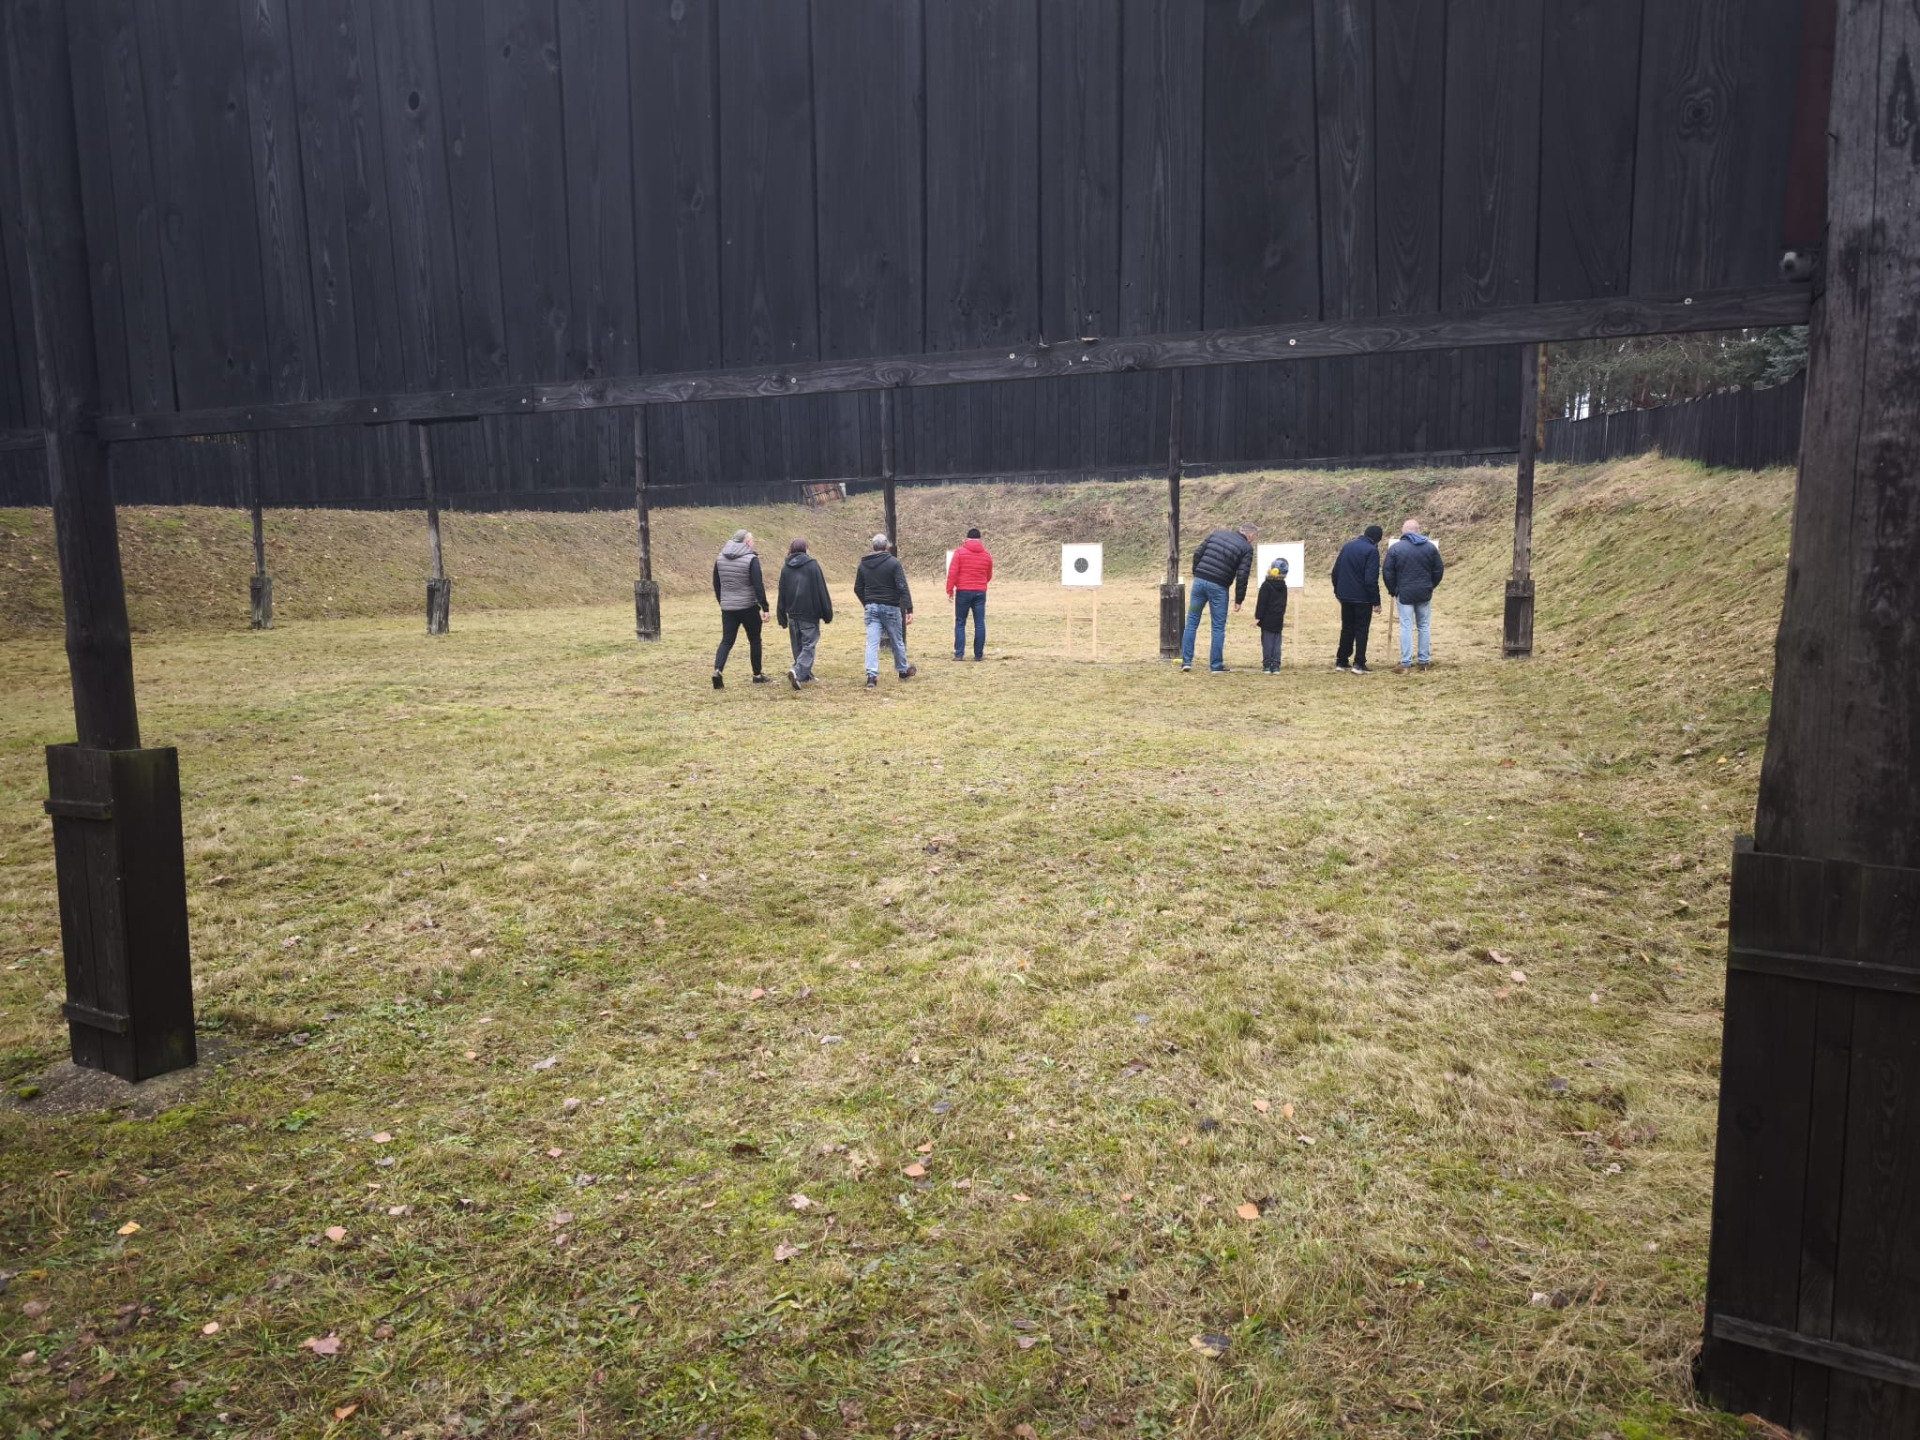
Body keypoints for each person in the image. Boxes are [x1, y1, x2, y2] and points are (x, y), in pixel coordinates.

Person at [1180, 526, 1256, 673]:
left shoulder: (1216, 534)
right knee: (1218, 627)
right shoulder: (1246, 548)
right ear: (1250, 535)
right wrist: (1239, 600)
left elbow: (1197, 553)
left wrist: (1197, 573)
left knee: (1192, 621)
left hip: (1199, 585)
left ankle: (1186, 662)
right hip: (1219, 588)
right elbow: (1242, 575)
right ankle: (1216, 666)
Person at [853, 533, 917, 689]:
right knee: (897, 640)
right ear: (887, 546)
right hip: (890, 606)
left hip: (871, 607)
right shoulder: (893, 563)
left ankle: (871, 675)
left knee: (872, 643)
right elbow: (902, 586)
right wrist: (909, 608)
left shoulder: (863, 564)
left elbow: (858, 588)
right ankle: (902, 670)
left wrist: (867, 602)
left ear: (872, 547)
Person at [1383, 518, 1445, 674]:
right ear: (1418, 530)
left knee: (1406, 626)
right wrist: (1430, 586)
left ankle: (1406, 663)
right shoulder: (1430, 547)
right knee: (1424, 626)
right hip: (1424, 592)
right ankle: (1424, 662)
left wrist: (1393, 590)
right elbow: (1438, 570)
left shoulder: (1396, 548)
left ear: (1404, 531)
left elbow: (1388, 572)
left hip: (1404, 592)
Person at [711, 530, 768, 688]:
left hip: (728, 607)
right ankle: (757, 675)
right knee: (754, 640)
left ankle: (718, 670)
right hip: (748, 606)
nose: (753, 543)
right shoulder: (751, 559)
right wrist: (765, 606)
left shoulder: (720, 558)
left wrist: (722, 601)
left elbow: (716, 583)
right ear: (747, 542)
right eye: (752, 540)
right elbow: (758, 584)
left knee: (727, 640)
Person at [776, 537, 833, 689]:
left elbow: (782, 592)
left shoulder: (786, 568)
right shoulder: (812, 566)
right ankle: (798, 671)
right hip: (809, 613)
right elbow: (821, 590)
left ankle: (804, 675)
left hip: (793, 613)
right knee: (808, 645)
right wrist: (827, 612)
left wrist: (781, 615)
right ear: (805, 549)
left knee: (798, 646)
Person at [1330, 524, 1383, 674]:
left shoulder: (1347, 546)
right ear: (1377, 539)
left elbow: (1335, 572)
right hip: (1363, 598)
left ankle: (1341, 661)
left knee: (1347, 628)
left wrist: (1338, 592)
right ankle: (1359, 663)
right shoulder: (1372, 551)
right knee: (1361, 630)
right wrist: (1376, 601)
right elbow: (1371, 579)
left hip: (1345, 596)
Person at [946, 527, 994, 660]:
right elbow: (989, 575)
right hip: (980, 592)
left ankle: (959, 654)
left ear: (967, 539)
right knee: (980, 623)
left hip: (963, 591)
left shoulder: (959, 553)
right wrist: (981, 584)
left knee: (960, 622)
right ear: (980, 540)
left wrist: (950, 590)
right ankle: (978, 654)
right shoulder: (986, 555)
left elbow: (953, 573)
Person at [1254, 555, 1289, 673]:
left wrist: (1258, 617)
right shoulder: (1283, 586)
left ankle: (1267, 665)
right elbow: (1283, 604)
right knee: (1277, 643)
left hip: (1267, 620)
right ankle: (1276, 665)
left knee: (1267, 642)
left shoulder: (1266, 585)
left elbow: (1261, 603)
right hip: (1278, 618)